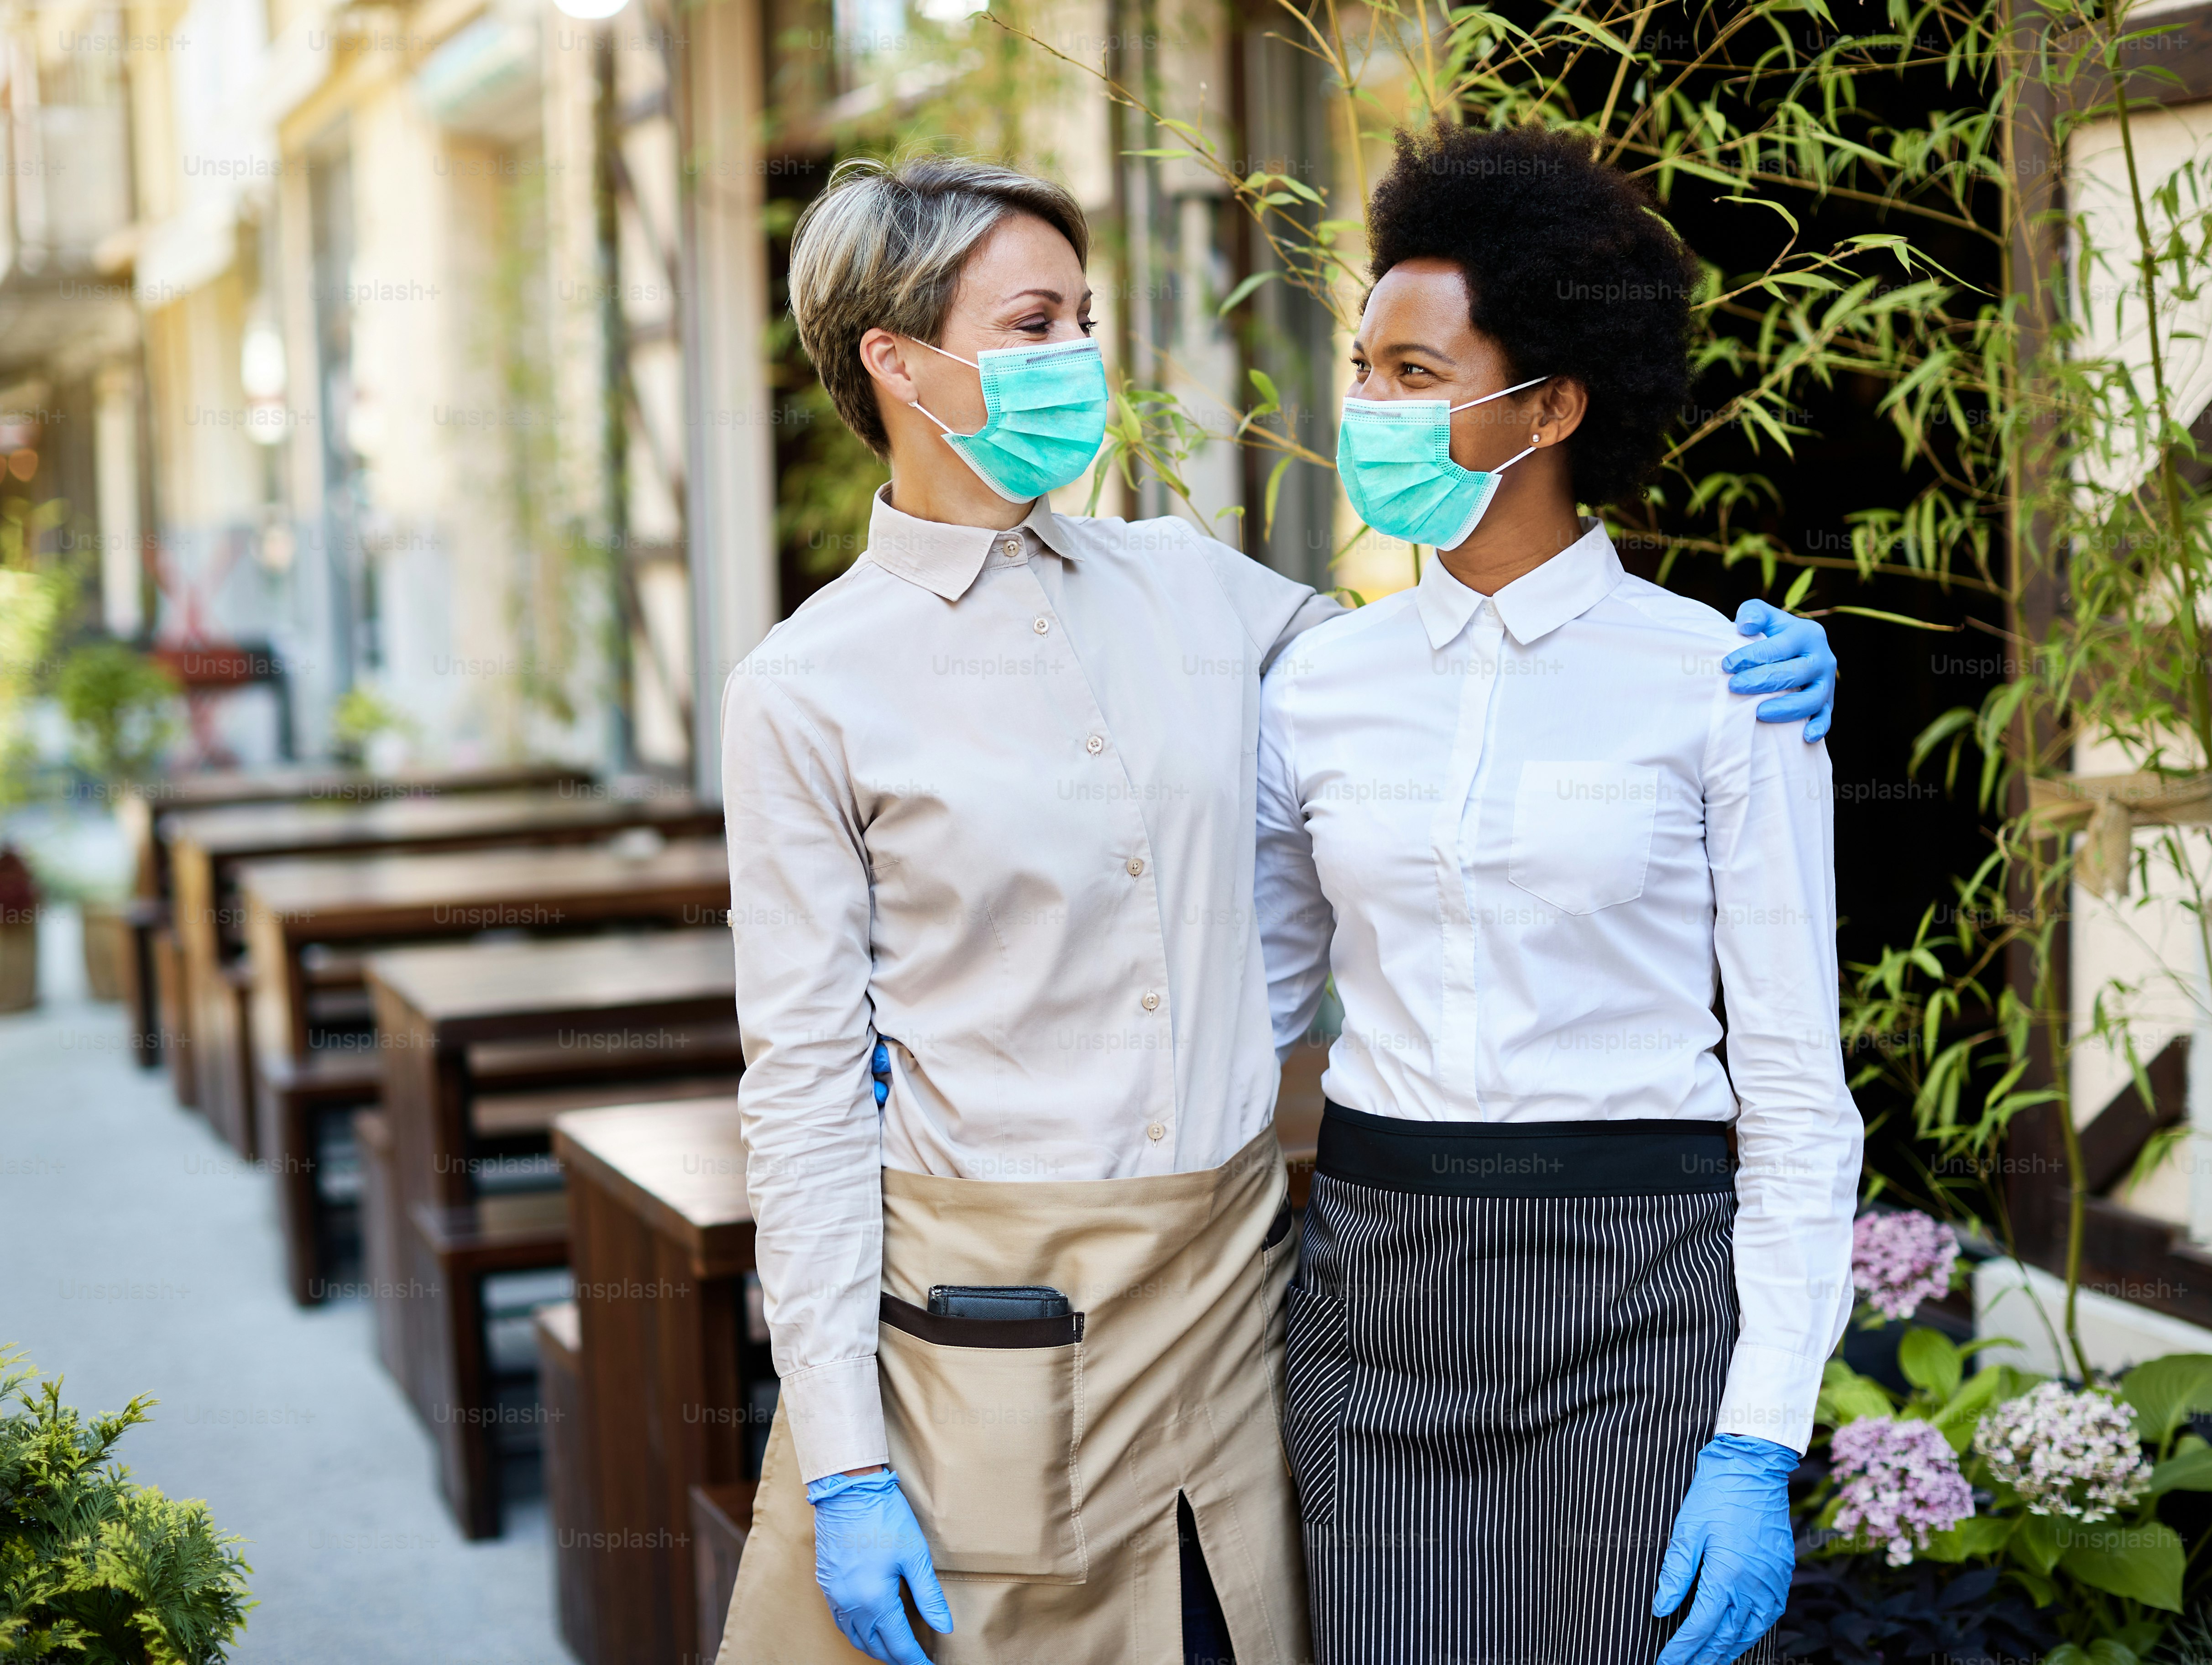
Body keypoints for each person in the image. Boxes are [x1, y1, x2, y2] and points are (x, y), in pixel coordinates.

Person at [717, 151, 1840, 1665]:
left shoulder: (1206, 596)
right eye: (1036, 324)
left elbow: (1480, 673)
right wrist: (846, 1457)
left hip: (1275, 1289)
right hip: (1033, 1300)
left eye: (1082, 321)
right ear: (896, 356)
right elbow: (802, 1095)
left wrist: (1772, 687)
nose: (1079, 363)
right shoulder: (807, 686)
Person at [1256, 123, 1862, 1665]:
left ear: (1556, 403)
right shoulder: (1314, 683)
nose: (1369, 411)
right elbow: (1237, 1010)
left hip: (1638, 1304)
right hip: (1375, 1287)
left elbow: (1795, 1086)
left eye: (1415, 374)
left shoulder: (1726, 685)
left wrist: (1758, 1442)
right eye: (1365, 369)